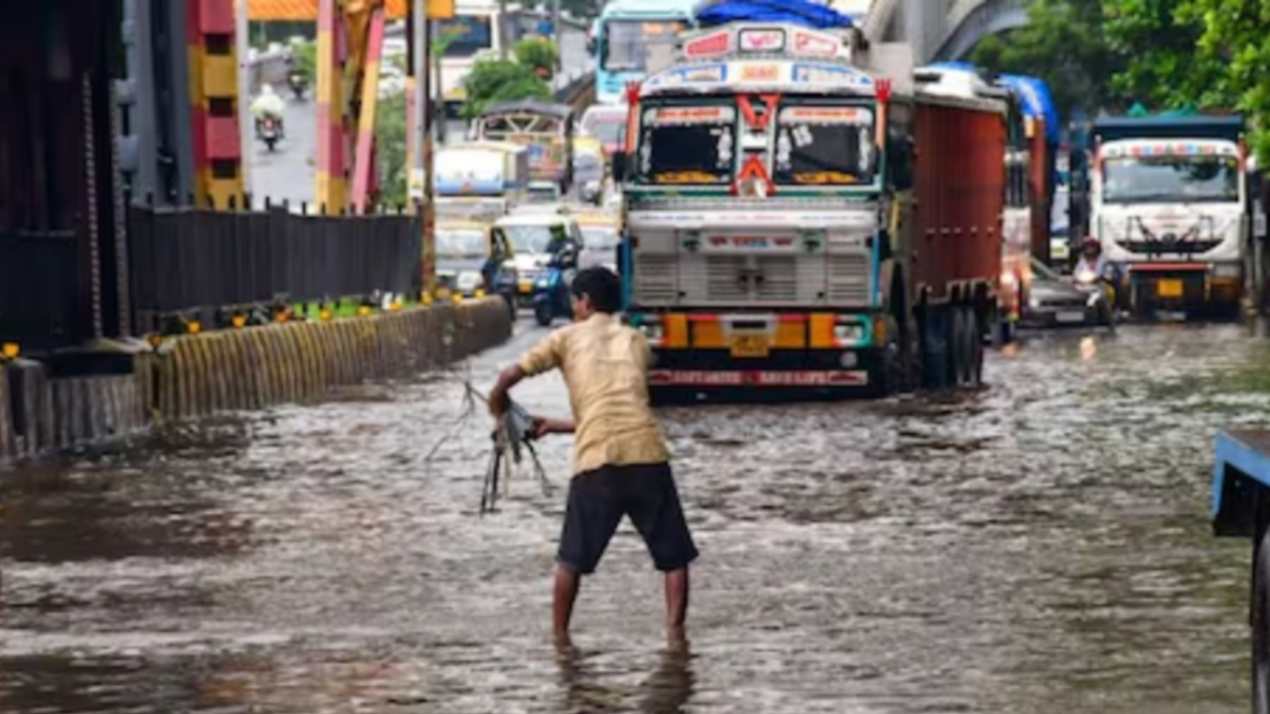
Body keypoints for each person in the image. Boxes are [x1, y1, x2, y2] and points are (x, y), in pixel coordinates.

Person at [488, 267, 698, 643]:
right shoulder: (636, 342)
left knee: (571, 561)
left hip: (596, 462)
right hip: (647, 455)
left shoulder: (564, 338)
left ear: (583, 302)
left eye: (574, 300)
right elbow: (618, 409)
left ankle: (559, 640)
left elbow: (506, 378)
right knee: (674, 557)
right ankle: (675, 638)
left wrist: (499, 410)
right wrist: (552, 425)